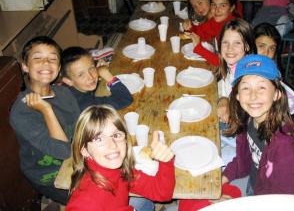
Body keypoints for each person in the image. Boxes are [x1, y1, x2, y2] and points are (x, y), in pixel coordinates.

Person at [222, 54, 294, 195]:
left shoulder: (288, 155)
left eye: (262, 87)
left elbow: (289, 203)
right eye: (245, 88)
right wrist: (224, 177)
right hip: (254, 184)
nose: (253, 95)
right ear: (237, 96)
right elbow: (243, 158)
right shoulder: (250, 120)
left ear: (277, 94)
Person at [10, 36, 81, 204]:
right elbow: (62, 152)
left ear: (58, 67)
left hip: (77, 158)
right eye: (38, 58)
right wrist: (46, 109)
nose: (46, 63)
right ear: (25, 66)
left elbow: (81, 127)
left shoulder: (64, 93)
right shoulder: (21, 112)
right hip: (50, 176)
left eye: (52, 58)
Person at [66, 105, 175, 210]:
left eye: (116, 135)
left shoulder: (116, 169)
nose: (113, 145)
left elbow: (161, 193)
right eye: (98, 139)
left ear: (125, 140)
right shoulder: (87, 204)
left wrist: (165, 161)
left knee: (145, 203)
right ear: (85, 151)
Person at [216, 18, 256, 166]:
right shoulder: (230, 67)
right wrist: (223, 100)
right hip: (231, 131)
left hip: (245, 141)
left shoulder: (250, 76)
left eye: (237, 43)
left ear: (247, 46)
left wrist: (227, 105)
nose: (229, 48)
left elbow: (248, 120)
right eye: (225, 42)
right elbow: (223, 88)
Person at [60, 46, 133, 111]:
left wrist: (98, 71)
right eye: (81, 75)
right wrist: (108, 77)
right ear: (68, 81)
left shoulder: (67, 86)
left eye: (91, 68)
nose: (91, 77)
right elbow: (124, 99)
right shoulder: (85, 104)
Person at [254, 22, 294, 114]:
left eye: (272, 48)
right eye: (261, 46)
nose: (266, 53)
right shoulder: (241, 65)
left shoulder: (274, 74)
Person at [186, 0, 238, 66]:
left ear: (231, 8)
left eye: (222, 5)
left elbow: (223, 63)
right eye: (214, 5)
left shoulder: (233, 30)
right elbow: (202, 32)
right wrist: (190, 27)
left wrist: (198, 48)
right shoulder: (216, 21)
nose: (217, 10)